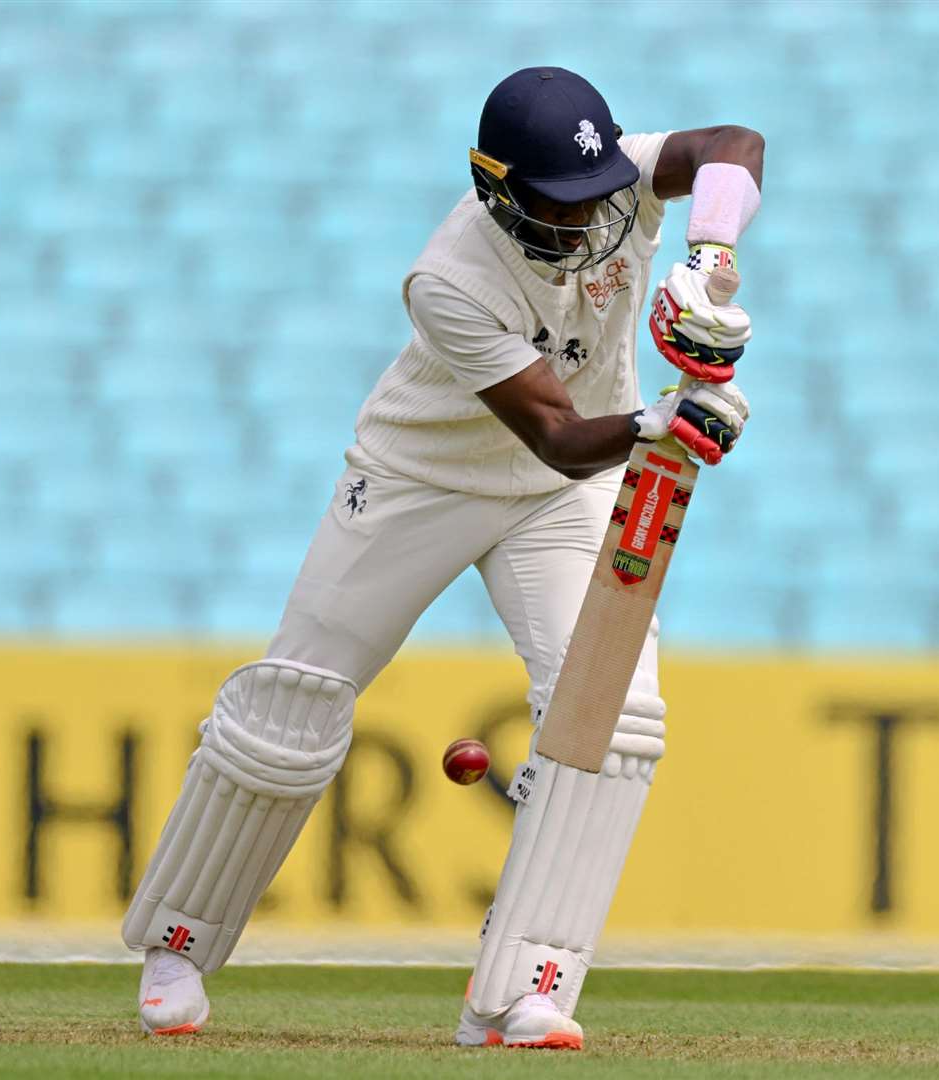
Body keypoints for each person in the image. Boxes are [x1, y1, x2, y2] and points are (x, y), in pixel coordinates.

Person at [122, 66, 764, 1050]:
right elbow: (554, 429)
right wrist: (664, 421)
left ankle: (521, 992)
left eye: (600, 200)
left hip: (562, 500)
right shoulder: (449, 280)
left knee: (616, 719)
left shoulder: (620, 181)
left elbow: (735, 142)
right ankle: (178, 945)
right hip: (425, 478)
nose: (592, 223)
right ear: (499, 191)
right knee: (293, 702)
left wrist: (708, 258)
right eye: (560, 205)